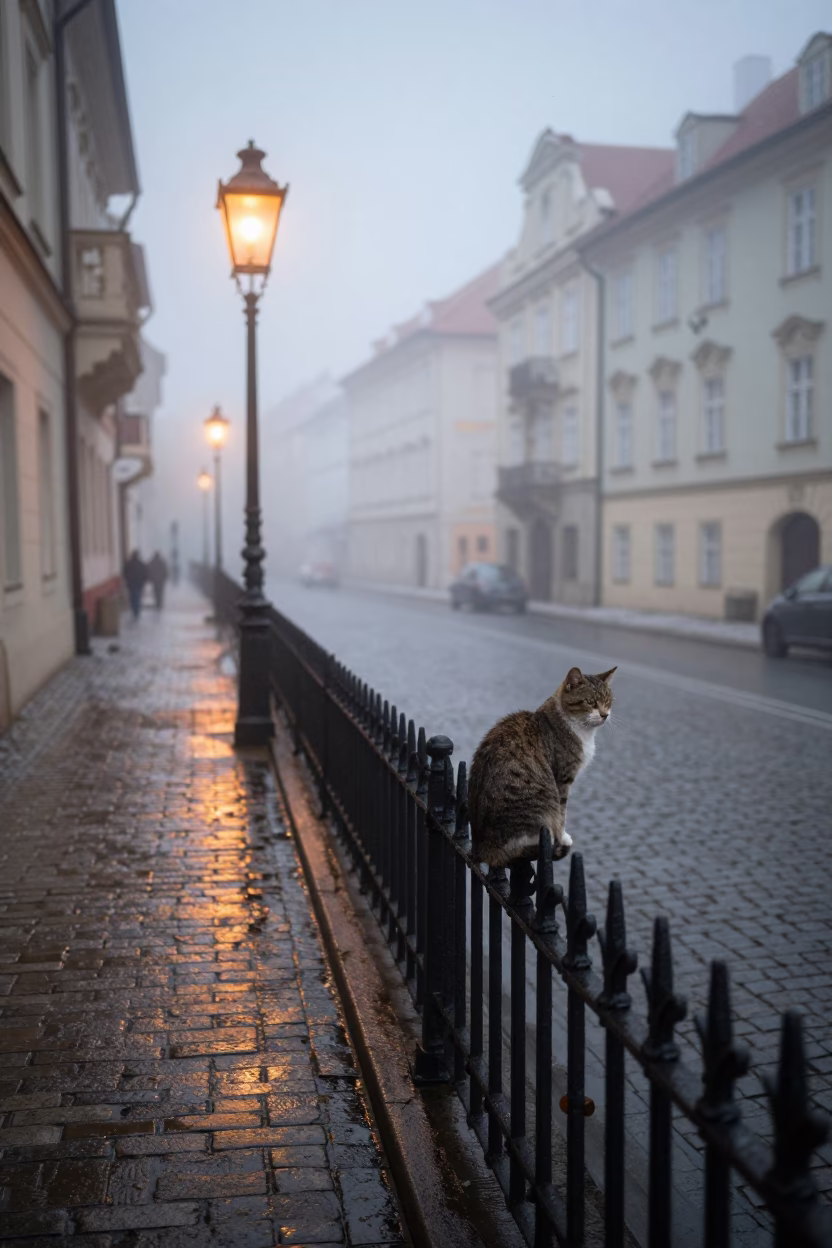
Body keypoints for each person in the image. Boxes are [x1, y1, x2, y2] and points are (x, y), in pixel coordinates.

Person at [124, 550, 147, 619]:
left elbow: (125, 573)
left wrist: (128, 580)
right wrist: (143, 581)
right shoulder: (141, 564)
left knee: (132, 597)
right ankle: (137, 609)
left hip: (131, 583)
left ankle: (134, 609)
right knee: (138, 596)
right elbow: (145, 573)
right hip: (139, 583)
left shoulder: (128, 564)